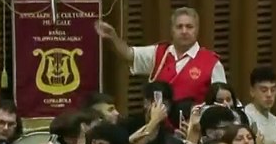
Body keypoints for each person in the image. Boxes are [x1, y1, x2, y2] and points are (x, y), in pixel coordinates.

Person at [95, 7, 225, 103]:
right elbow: (128, 55)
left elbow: (222, 101)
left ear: (197, 29)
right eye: (179, 27)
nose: (184, 31)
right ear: (172, 30)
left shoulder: (212, 63)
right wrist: (113, 37)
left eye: (189, 27)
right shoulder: (158, 53)